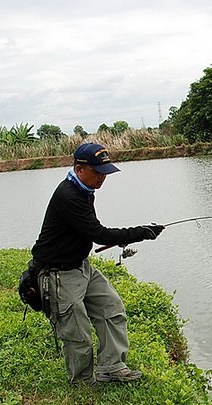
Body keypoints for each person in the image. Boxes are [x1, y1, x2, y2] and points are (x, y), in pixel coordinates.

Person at [29, 142, 164, 384]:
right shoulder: (68, 195)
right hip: (58, 273)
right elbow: (99, 234)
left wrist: (141, 231)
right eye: (98, 172)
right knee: (77, 332)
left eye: (105, 173)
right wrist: (142, 232)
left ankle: (111, 367)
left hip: (81, 266)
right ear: (80, 169)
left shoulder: (84, 190)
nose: (103, 178)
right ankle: (81, 382)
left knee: (111, 309)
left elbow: (88, 232)